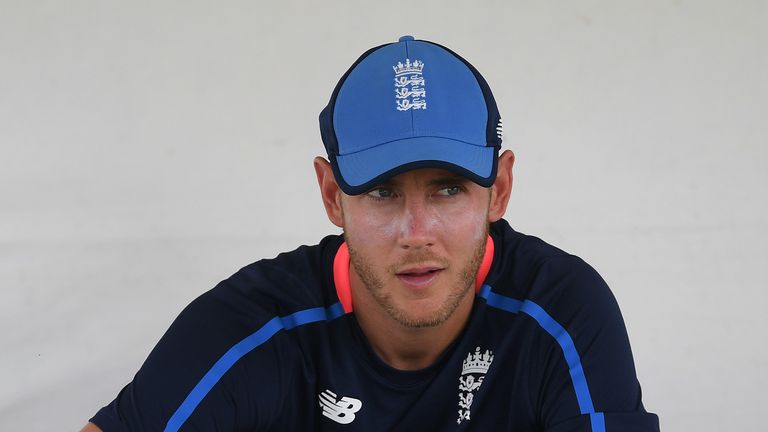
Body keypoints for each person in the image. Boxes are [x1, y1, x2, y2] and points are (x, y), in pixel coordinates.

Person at [82, 36, 659, 431]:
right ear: (332, 196)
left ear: (500, 190)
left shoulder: (563, 312)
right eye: (382, 192)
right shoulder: (249, 328)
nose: (417, 232)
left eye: (448, 189)